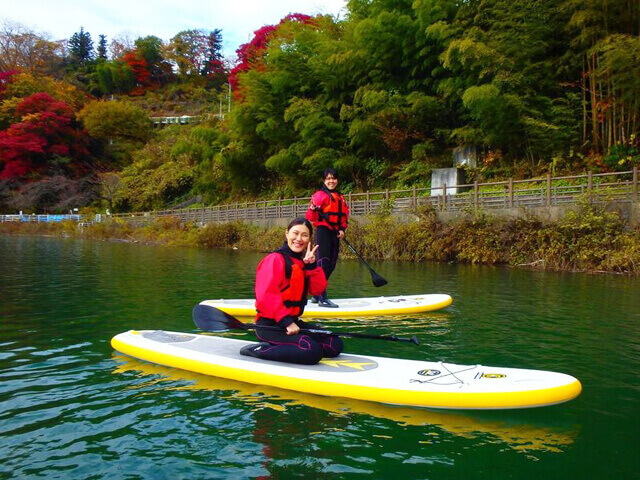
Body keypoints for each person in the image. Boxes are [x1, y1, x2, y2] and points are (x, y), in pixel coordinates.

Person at [240, 218, 344, 365]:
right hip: (270, 326)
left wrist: (312, 266)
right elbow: (265, 297)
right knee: (311, 351)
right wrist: (287, 322)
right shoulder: (274, 260)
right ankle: (257, 350)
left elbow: (318, 289)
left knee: (334, 344)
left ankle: (292, 346)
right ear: (287, 234)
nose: (299, 239)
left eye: (304, 235)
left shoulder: (303, 263)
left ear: (309, 240)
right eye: (295, 233)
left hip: (293, 323)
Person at [305, 168, 349, 308]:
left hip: (335, 233)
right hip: (323, 231)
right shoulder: (319, 195)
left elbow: (344, 216)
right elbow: (311, 217)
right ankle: (322, 298)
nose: (331, 181)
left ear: (337, 180)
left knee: (331, 265)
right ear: (324, 180)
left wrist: (342, 229)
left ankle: (316, 294)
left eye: (334, 178)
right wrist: (312, 209)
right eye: (328, 178)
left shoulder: (340, 197)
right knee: (323, 264)